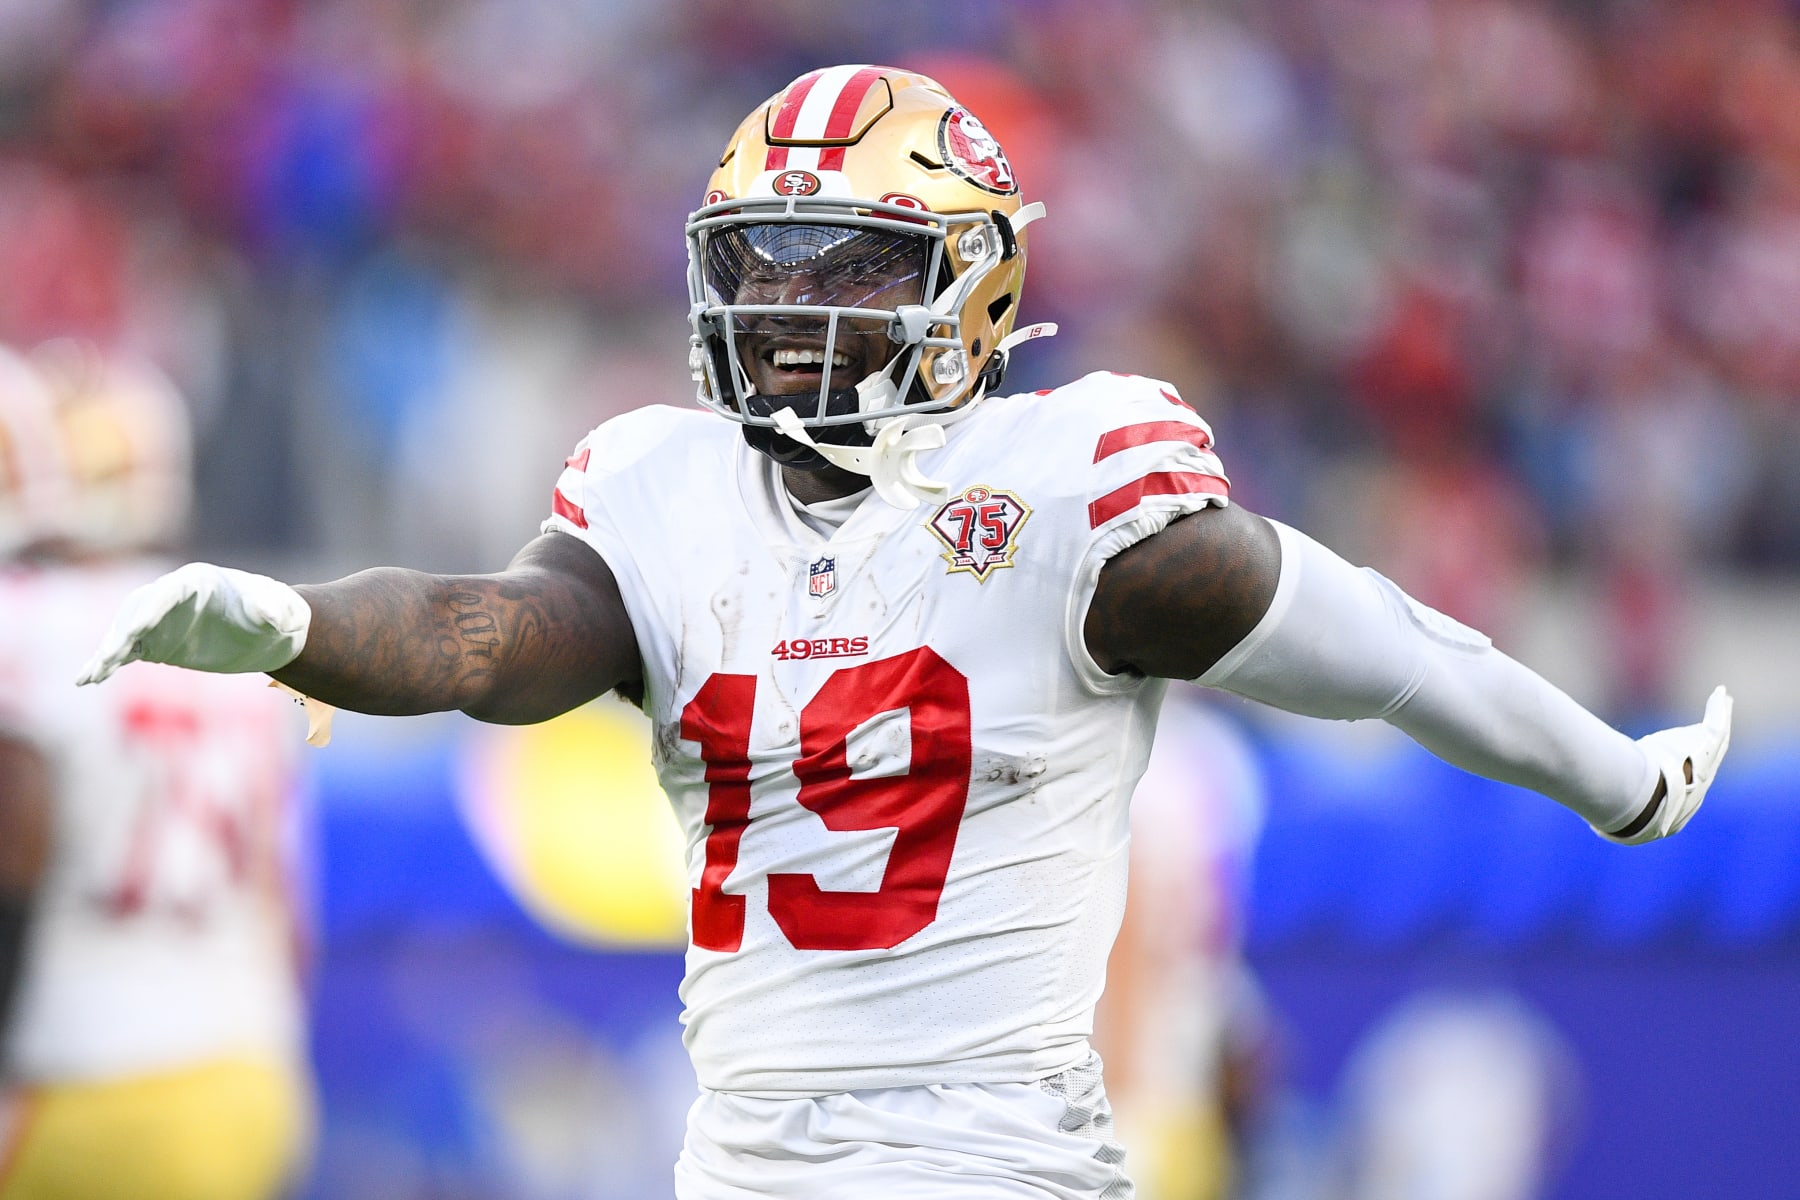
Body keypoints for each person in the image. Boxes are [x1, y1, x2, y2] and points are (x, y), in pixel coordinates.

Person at [76, 67, 1732, 1199]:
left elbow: (1384, 649)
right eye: (762, 260)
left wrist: (1612, 778)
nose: (791, 304)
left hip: (990, 1160)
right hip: (745, 1158)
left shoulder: (1079, 494)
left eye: (851, 262)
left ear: (978, 283)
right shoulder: (660, 486)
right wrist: (299, 624)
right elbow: (482, 637)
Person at [0, 344, 312, 1200]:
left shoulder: (25, 623)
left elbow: (17, 844)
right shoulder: (246, 635)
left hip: (81, 1077)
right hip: (254, 1076)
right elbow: (291, 905)